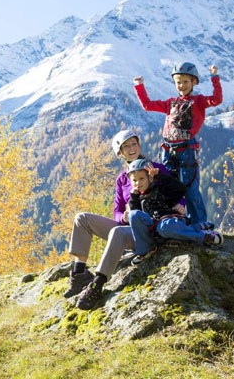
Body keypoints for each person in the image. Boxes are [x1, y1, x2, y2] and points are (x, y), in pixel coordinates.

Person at [63, 129, 176, 310]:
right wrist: (121, 215)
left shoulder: (155, 169)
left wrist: (182, 204)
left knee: (117, 231)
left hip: (148, 229)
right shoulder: (122, 179)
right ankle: (79, 274)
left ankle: (97, 284)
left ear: (139, 145)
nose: (131, 148)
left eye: (134, 144)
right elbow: (116, 210)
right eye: (126, 146)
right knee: (82, 218)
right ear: (120, 153)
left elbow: (175, 190)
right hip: (126, 226)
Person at [133, 62, 222, 227]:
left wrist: (214, 78)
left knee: (189, 188)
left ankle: (200, 224)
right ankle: (175, 221)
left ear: (194, 82)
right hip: (168, 149)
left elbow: (216, 100)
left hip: (186, 149)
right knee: (167, 186)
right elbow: (147, 105)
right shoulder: (170, 103)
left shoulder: (199, 101)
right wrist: (139, 86)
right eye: (178, 82)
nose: (181, 86)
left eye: (186, 82)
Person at [126, 158, 223, 265]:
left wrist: (160, 176)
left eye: (141, 178)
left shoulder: (161, 189)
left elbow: (180, 189)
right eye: (134, 180)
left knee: (164, 228)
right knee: (133, 214)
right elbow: (136, 219)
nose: (138, 183)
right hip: (153, 229)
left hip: (169, 223)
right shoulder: (136, 197)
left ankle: (203, 236)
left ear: (150, 177)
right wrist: (133, 198)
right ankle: (145, 250)